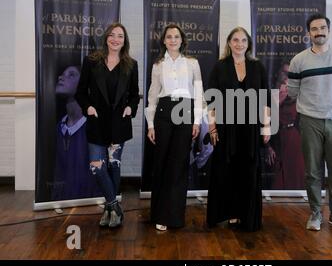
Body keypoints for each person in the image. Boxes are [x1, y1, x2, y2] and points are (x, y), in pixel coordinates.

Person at [287, 13, 332, 231]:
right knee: (313, 171)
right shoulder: (298, 61)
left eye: (322, 28)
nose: (319, 32)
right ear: (309, 33)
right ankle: (315, 214)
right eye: (314, 29)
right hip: (309, 121)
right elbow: (292, 92)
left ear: (329, 30)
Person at [75, 22, 140, 228]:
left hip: (119, 124)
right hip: (96, 122)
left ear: (124, 40)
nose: (115, 39)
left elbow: (134, 94)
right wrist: (88, 108)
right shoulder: (91, 61)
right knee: (97, 167)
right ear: (106, 38)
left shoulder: (131, 64)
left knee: (113, 165)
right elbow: (80, 92)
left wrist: (130, 107)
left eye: (120, 36)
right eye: (112, 35)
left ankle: (109, 210)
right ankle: (114, 206)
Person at [206, 26, 271, 232]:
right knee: (226, 172)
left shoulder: (257, 67)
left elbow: (265, 98)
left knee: (248, 173)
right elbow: (211, 100)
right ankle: (230, 214)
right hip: (225, 127)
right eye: (235, 40)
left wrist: (267, 126)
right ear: (229, 43)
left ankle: (247, 216)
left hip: (251, 128)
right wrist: (213, 128)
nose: (239, 44)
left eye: (243, 40)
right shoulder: (220, 66)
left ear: (248, 44)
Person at [145, 24, 203, 232]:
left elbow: (199, 93)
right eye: (169, 37)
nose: (172, 40)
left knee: (179, 166)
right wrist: (150, 124)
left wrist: (196, 121)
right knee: (161, 163)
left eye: (176, 36)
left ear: (182, 40)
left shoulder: (193, 63)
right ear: (164, 40)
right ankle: (159, 214)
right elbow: (152, 96)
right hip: (164, 112)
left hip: (185, 111)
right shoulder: (158, 65)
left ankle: (175, 216)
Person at [53, 65, 100, 201]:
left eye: (71, 74)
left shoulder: (92, 124)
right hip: (63, 201)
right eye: (62, 74)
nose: (60, 77)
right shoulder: (60, 126)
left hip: (88, 204)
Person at [265, 61, 305, 190]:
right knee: (278, 179)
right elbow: (263, 121)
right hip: (275, 138)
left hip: (293, 137)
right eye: (285, 72)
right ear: (278, 74)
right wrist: (267, 147)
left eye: (290, 73)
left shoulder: (297, 93)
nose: (287, 76)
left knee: (296, 175)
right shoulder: (270, 93)